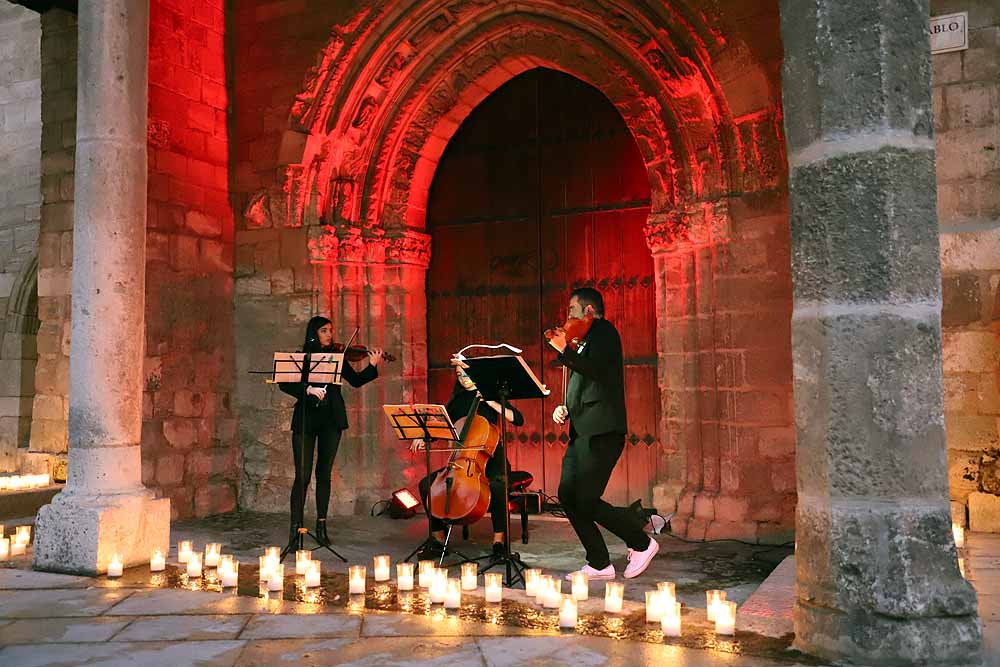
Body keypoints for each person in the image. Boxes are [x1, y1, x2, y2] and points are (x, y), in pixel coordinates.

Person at [548, 287, 658, 580]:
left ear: (588, 310)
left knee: (585, 498)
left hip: (602, 431)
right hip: (582, 432)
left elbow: (597, 370)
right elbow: (585, 383)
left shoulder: (604, 332)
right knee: (568, 495)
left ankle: (641, 543)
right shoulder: (581, 339)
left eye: (572, 310)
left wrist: (564, 351)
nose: (568, 316)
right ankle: (599, 563)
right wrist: (565, 408)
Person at [279, 316, 384, 546]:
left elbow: (356, 381)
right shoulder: (302, 358)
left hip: (331, 420)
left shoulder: (337, 358)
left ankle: (321, 526)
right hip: (306, 419)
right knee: (302, 476)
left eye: (331, 330)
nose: (330, 334)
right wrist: (307, 389)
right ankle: (295, 530)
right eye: (324, 330)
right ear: (314, 333)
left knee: (324, 474)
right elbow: (285, 383)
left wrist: (372, 365)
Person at [411, 360, 524, 557]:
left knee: (498, 487)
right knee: (426, 484)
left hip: (492, 460)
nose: (463, 379)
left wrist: (492, 402)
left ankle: (499, 543)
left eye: (466, 374)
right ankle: (438, 539)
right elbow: (445, 428)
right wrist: (424, 436)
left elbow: (518, 419)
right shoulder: (458, 400)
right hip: (463, 462)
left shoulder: (491, 395)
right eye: (459, 375)